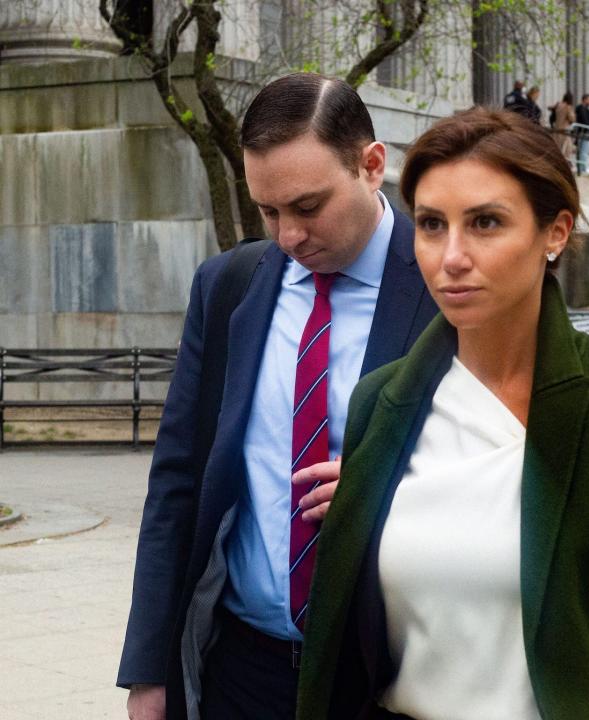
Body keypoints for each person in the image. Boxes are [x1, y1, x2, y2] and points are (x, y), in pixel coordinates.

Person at [295, 107, 589, 720]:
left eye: (486, 223)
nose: (452, 256)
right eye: (430, 224)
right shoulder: (382, 402)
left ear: (555, 232)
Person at [117, 73, 437, 720]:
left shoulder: (444, 284)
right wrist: (148, 669)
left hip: (394, 680)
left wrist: (395, 489)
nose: (288, 235)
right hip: (242, 669)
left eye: (308, 206)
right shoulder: (228, 286)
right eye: (268, 211)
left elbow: (518, 460)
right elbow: (177, 481)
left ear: (372, 165)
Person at [549, 90, 576, 165]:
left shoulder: (558, 105)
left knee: (558, 147)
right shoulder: (568, 107)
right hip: (565, 130)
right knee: (567, 148)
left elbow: (549, 107)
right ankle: (564, 163)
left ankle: (558, 162)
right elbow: (572, 118)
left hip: (557, 129)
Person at [574, 93, 589, 176]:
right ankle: (582, 168)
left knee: (585, 150)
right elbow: (584, 121)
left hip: (586, 133)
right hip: (584, 133)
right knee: (584, 151)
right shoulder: (581, 108)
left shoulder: (585, 109)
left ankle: (583, 167)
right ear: (585, 99)